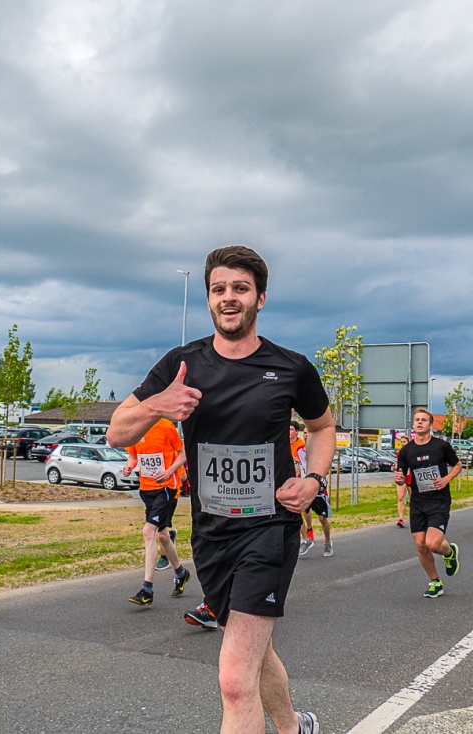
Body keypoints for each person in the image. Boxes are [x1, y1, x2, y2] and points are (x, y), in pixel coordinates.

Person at [108, 245, 333, 734]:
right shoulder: (181, 363)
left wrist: (313, 480)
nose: (228, 298)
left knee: (233, 678)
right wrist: (157, 406)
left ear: (260, 299)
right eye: (218, 289)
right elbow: (117, 431)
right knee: (253, 650)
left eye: (240, 288)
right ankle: (296, 727)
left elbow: (322, 428)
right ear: (208, 299)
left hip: (269, 528)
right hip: (210, 534)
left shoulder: (290, 367)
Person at [122, 418, 191, 606]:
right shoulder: (136, 427)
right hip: (146, 488)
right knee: (162, 535)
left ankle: (147, 589)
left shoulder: (166, 426)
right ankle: (181, 573)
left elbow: (183, 454)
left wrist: (170, 471)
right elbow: (133, 455)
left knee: (148, 531)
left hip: (167, 488)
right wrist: (129, 466)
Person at [395, 408, 462, 599]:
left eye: (423, 420)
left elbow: (457, 465)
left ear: (430, 425)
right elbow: (402, 477)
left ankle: (449, 552)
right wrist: (399, 479)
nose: (419, 422)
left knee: (432, 544)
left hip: (439, 500)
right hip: (418, 501)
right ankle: (435, 581)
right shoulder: (406, 451)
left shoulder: (441, 446)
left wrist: (446, 479)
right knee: (420, 545)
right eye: (417, 420)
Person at [293, 422, 333, 557]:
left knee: (322, 518)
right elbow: (299, 466)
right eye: (304, 433)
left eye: (308, 433)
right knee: (297, 513)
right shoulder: (299, 450)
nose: (305, 435)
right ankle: (306, 539)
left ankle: (328, 542)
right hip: (304, 486)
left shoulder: (320, 450)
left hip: (318, 487)